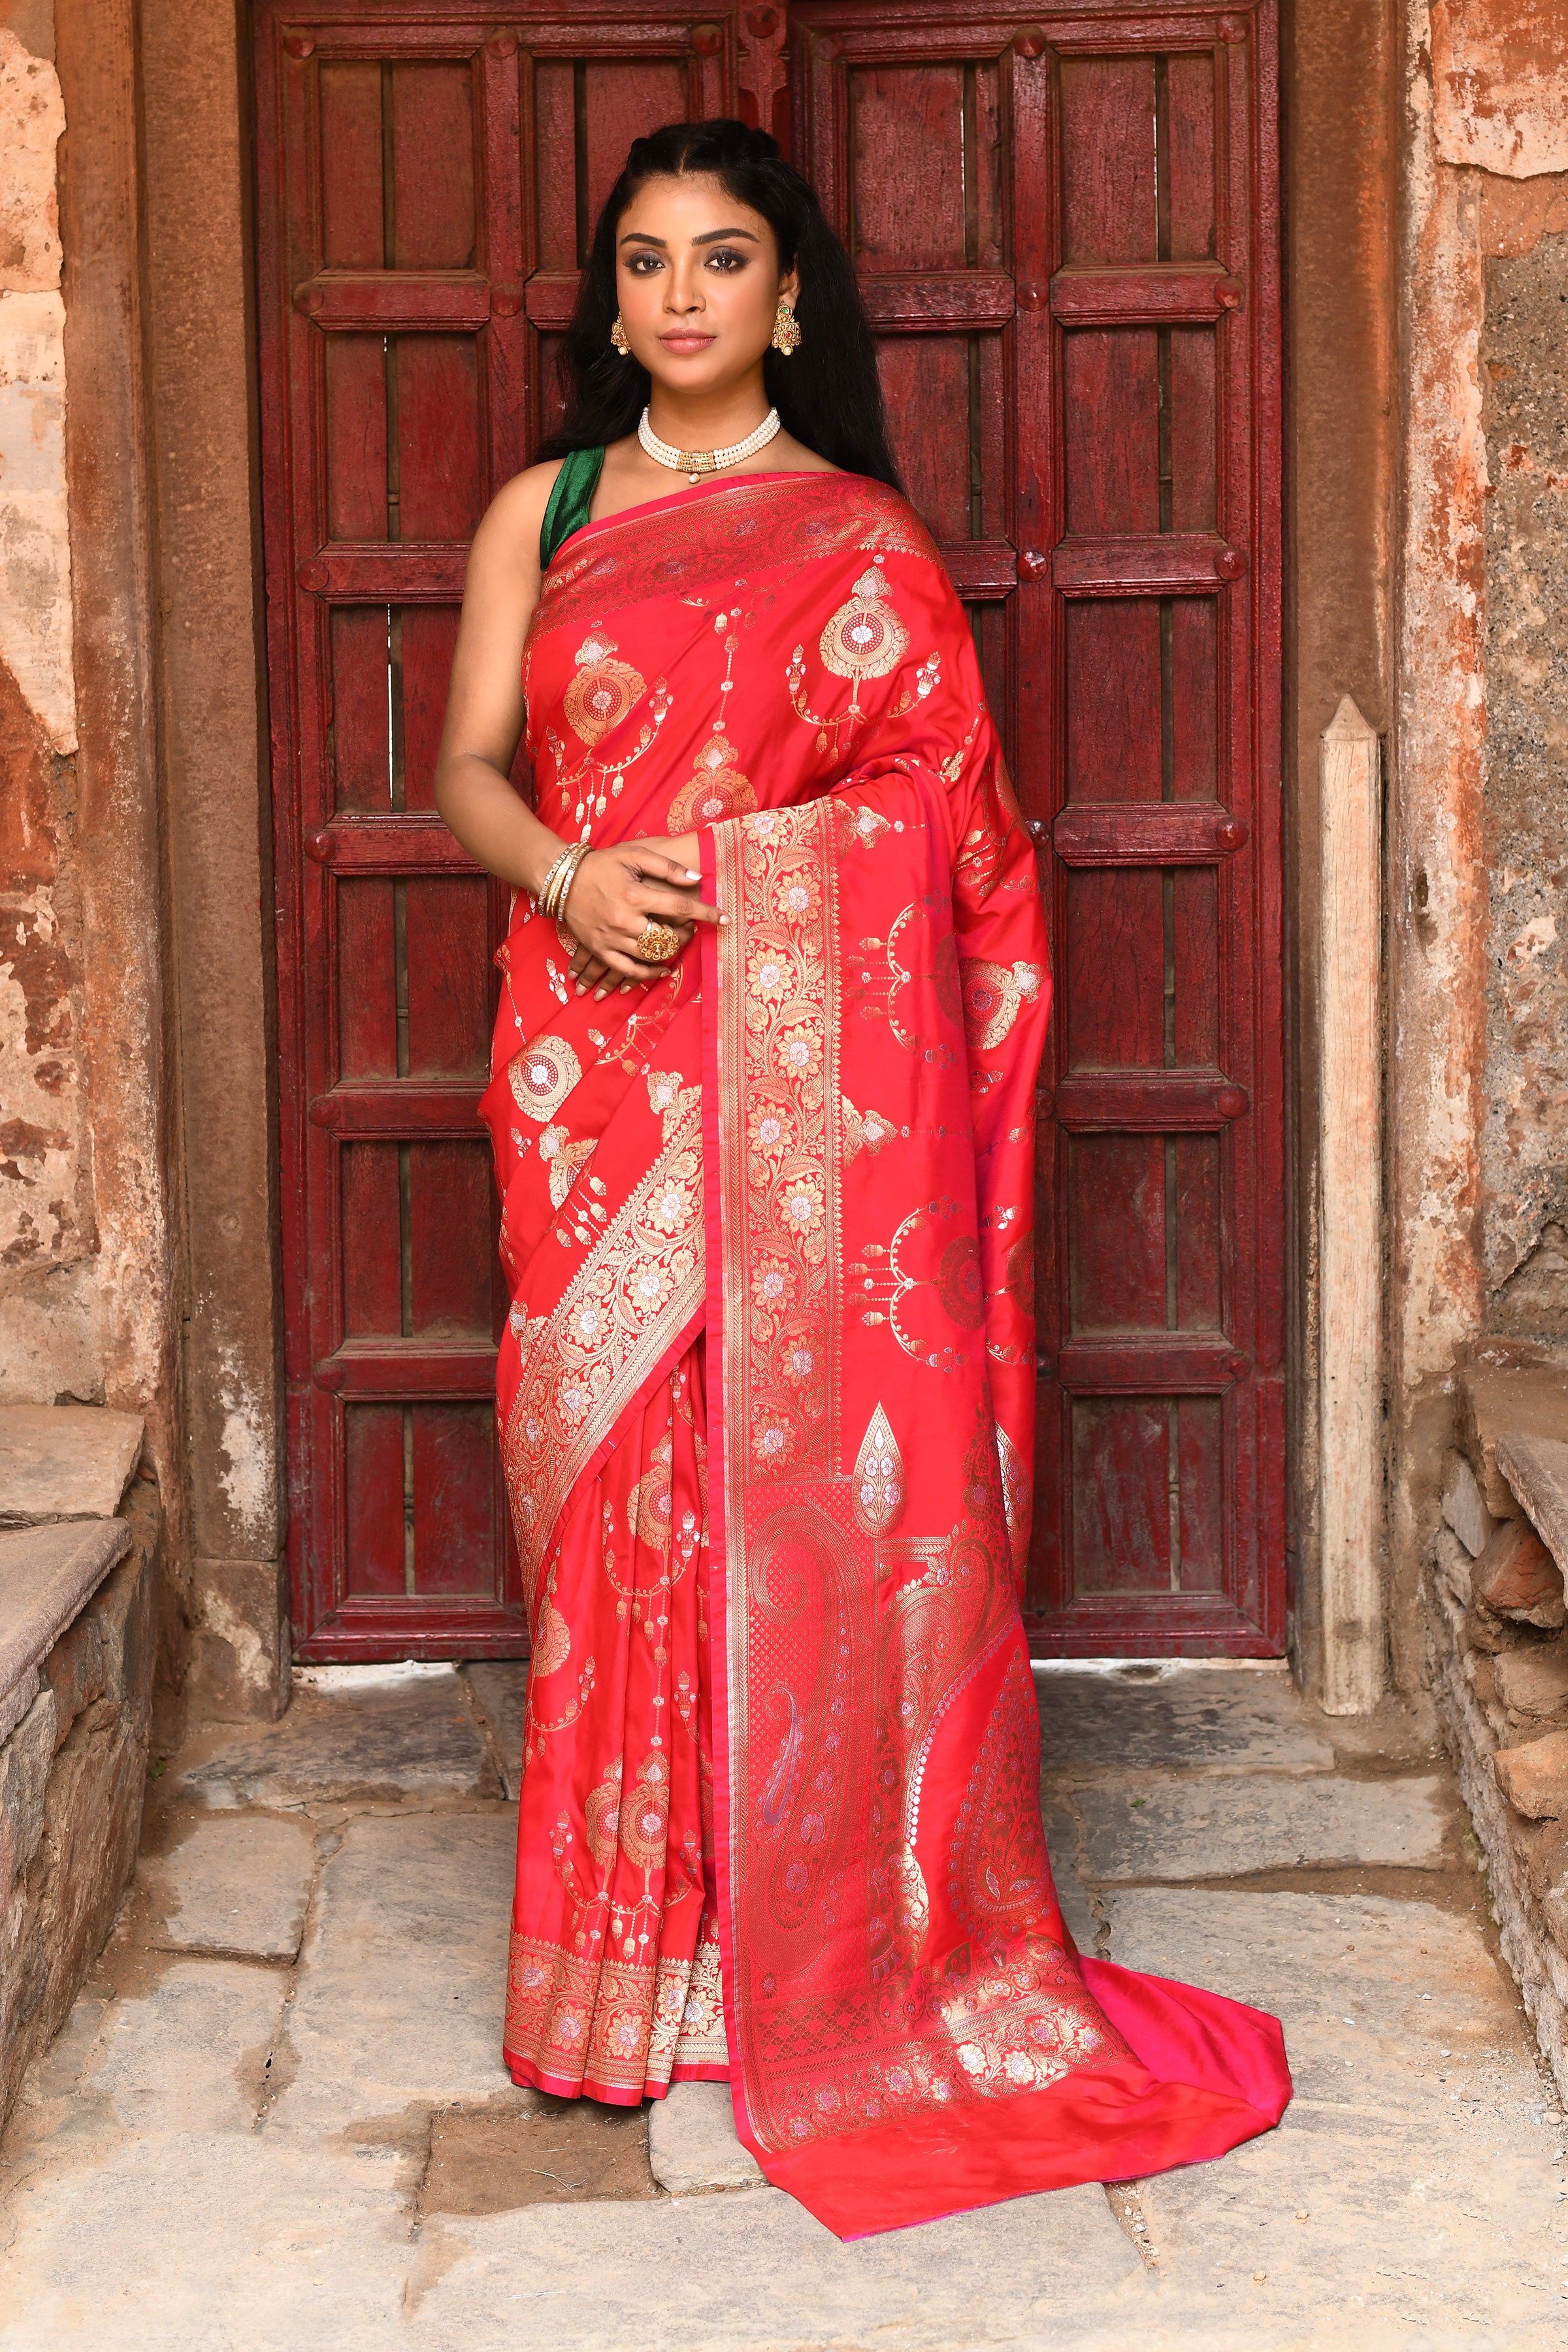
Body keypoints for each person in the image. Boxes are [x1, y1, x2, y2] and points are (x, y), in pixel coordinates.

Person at [434, 116, 1289, 2240]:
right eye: (646, 262)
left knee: (782, 1488)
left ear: (792, 300)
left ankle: (785, 1965)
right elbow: (463, 766)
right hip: (592, 1069)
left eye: (726, 260)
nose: (684, 297)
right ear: (610, 295)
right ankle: (616, 1972)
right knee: (616, 1487)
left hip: (802, 1102)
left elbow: (953, 836)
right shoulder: (537, 514)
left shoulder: (863, 539)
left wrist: (726, 881)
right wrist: (565, 868)